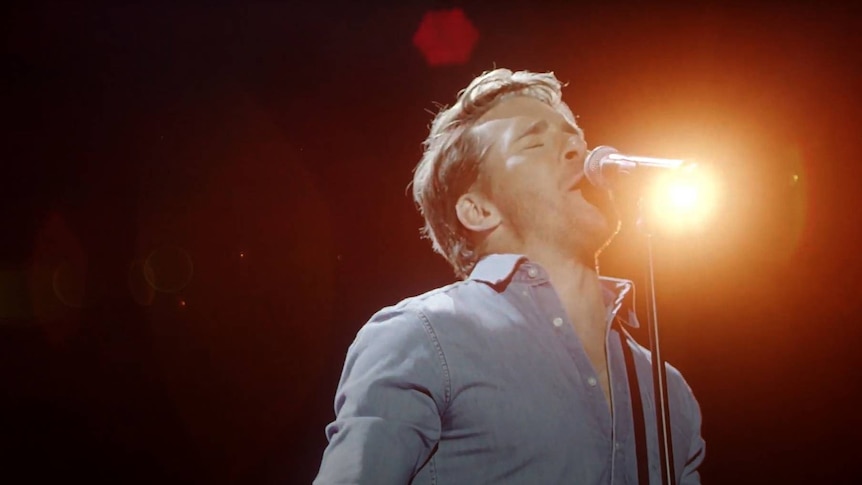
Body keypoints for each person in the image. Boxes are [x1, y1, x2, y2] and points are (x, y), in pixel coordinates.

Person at [314, 68, 705, 484]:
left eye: (577, 138)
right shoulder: (424, 337)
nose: (577, 150)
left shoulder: (667, 390)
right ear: (479, 210)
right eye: (534, 142)